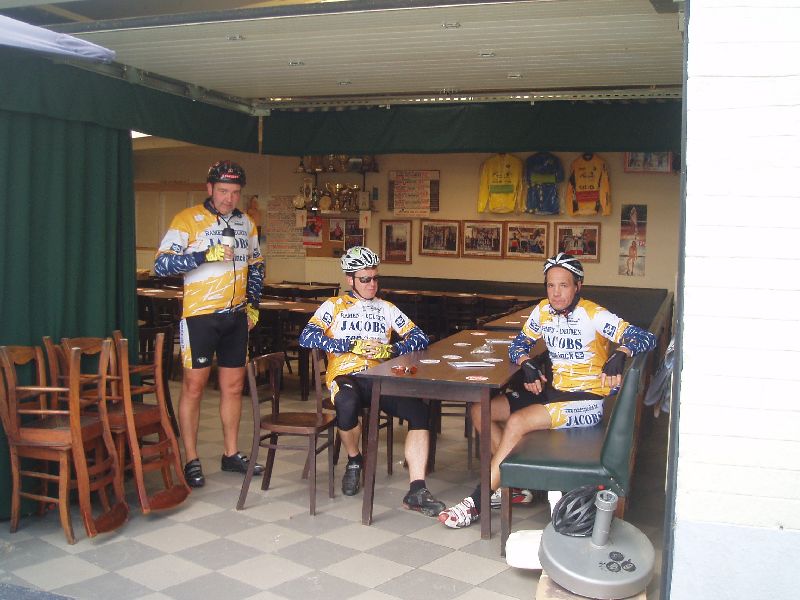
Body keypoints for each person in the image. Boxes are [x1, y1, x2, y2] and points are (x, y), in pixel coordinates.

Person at [438, 253, 656, 528]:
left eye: (563, 285)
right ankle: (514, 483)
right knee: (481, 410)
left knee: (518, 422)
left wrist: (621, 352)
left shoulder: (593, 314)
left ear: (578, 286)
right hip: (555, 390)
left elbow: (645, 337)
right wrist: (526, 363)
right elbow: (518, 345)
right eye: (551, 285)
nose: (556, 293)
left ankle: (476, 501)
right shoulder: (542, 311)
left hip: (588, 399)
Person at [298, 246, 445, 516]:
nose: (371, 284)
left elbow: (420, 338)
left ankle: (417, 489)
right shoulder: (333, 306)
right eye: (365, 279)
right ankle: (354, 460)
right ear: (350, 280)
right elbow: (307, 337)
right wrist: (348, 344)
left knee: (420, 413)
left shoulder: (387, 308)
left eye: (375, 278)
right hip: (347, 375)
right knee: (346, 402)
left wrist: (392, 350)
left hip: (381, 377)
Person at [154, 160, 265, 488]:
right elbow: (161, 265)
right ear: (209, 189)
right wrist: (203, 255)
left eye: (235, 192)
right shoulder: (187, 220)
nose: (229, 198)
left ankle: (231, 454)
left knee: (233, 387)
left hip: (236, 316)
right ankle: (190, 458)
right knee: (194, 387)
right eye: (223, 191)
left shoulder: (247, 223)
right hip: (200, 316)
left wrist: (254, 305)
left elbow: (257, 265)